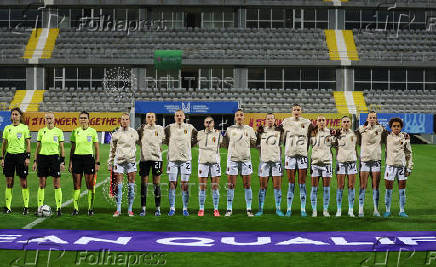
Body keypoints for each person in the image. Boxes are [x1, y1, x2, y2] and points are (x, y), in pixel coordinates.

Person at [281, 104, 314, 217]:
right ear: (292, 111)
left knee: (302, 183)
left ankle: (303, 209)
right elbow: (278, 133)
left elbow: (313, 134)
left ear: (301, 111)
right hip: (289, 155)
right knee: (291, 183)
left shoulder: (307, 122)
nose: (296, 111)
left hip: (302, 156)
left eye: (298, 110)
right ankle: (289, 209)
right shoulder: (285, 122)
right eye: (294, 109)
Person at [223, 109, 257, 216]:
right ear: (235, 117)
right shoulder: (229, 129)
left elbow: (254, 143)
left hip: (246, 160)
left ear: (244, 117)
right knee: (231, 185)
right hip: (232, 160)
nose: (239, 117)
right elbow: (225, 143)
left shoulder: (250, 129)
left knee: (247, 184)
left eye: (241, 115)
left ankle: (249, 209)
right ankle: (229, 209)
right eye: (237, 115)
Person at [164, 109, 197, 216]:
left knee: (185, 184)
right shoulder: (169, 128)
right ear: (174, 117)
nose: (178, 117)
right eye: (177, 115)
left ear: (184, 117)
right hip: (172, 160)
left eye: (180, 115)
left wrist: (190, 145)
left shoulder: (190, 127)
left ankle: (185, 208)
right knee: (172, 184)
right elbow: (162, 137)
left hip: (185, 160)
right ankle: (172, 208)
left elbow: (198, 137)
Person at [32, 112, 65, 216]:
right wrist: (35, 161)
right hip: (42, 158)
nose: (49, 120)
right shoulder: (41, 131)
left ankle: (59, 208)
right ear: (45, 119)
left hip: (54, 158)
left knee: (57, 184)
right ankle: (39, 208)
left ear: (54, 119)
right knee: (42, 184)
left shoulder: (59, 131)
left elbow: (62, 148)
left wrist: (62, 162)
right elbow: (37, 148)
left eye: (50, 118)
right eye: (47, 118)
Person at [0, 107, 31, 214]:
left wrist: (28, 157)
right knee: (9, 182)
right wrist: (2, 158)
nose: (14, 116)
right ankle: (8, 207)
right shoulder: (7, 128)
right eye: (13, 114)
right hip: (9, 157)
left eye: (16, 114)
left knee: (23, 182)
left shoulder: (24, 128)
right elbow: (4, 144)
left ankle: (26, 207)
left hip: (21, 157)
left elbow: (28, 143)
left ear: (20, 116)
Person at [69, 111, 100, 216]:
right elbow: (72, 149)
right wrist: (70, 162)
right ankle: (75, 209)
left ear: (88, 120)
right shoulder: (75, 131)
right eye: (81, 118)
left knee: (90, 185)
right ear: (79, 119)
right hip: (77, 158)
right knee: (76, 185)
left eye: (85, 118)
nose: (83, 120)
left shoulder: (93, 131)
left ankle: (90, 209)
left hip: (89, 159)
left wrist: (97, 162)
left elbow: (96, 148)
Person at [108, 113, 139, 217]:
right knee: (119, 187)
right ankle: (118, 209)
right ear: (120, 121)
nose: (125, 121)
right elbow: (112, 150)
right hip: (119, 161)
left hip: (131, 161)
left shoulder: (134, 133)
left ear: (129, 121)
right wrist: (110, 162)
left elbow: (137, 144)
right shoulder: (116, 134)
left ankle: (130, 209)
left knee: (131, 186)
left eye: (126, 119)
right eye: (123, 119)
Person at [357, 111, 387, 217]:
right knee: (363, 186)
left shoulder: (380, 129)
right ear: (367, 119)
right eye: (370, 117)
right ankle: (361, 209)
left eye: (374, 118)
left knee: (375, 186)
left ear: (376, 119)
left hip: (376, 160)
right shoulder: (362, 128)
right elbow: (359, 133)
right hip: (364, 160)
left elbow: (389, 135)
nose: (372, 119)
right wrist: (369, 126)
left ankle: (375, 209)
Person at [255, 113, 284, 216]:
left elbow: (282, 143)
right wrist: (262, 155)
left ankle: (278, 208)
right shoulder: (261, 131)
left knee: (277, 186)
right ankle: (260, 209)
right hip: (264, 162)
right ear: (265, 120)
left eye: (272, 119)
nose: (270, 120)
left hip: (276, 162)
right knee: (263, 186)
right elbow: (257, 145)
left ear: (275, 120)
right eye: (268, 119)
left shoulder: (279, 131)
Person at [384, 117, 413, 218]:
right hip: (390, 167)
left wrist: (409, 167)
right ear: (391, 127)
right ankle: (387, 210)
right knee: (388, 190)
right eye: (394, 126)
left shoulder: (405, 137)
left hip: (401, 167)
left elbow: (409, 154)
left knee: (402, 190)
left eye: (398, 126)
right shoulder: (386, 136)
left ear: (401, 127)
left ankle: (402, 210)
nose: (396, 128)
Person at [137, 112, 165, 216]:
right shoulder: (141, 129)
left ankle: (158, 208)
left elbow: (164, 139)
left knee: (156, 183)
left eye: (152, 117)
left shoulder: (160, 129)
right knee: (144, 184)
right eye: (148, 117)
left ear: (155, 118)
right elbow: (137, 140)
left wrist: (158, 147)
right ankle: (143, 209)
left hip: (157, 159)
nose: (151, 118)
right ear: (146, 119)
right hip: (144, 159)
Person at [196, 116, 223, 216]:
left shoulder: (218, 134)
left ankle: (216, 209)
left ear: (213, 123)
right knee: (202, 187)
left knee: (215, 187)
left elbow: (223, 144)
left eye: (210, 122)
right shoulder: (199, 133)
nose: (208, 124)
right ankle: (201, 209)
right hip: (203, 163)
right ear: (204, 124)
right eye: (206, 122)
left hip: (215, 163)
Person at [309, 115, 334, 217]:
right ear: (317, 122)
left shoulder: (330, 133)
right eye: (319, 120)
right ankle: (314, 210)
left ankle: (325, 210)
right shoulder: (312, 133)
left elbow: (335, 145)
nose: (321, 122)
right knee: (314, 188)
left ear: (326, 122)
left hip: (327, 163)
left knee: (326, 188)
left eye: (323, 120)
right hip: (315, 163)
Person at [334, 116, 358, 217]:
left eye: (348, 121)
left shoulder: (355, 134)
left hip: (352, 162)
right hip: (341, 163)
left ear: (351, 123)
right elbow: (332, 145)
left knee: (351, 186)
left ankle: (350, 209)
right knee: (340, 186)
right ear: (341, 123)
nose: (346, 123)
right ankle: (339, 209)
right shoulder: (337, 134)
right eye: (344, 122)